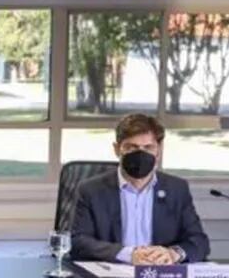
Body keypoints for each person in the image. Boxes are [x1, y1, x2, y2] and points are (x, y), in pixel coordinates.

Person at [70, 113, 209, 265]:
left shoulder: (177, 189)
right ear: (117, 149)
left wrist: (174, 254)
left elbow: (199, 241)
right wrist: (129, 255)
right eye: (132, 147)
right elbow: (79, 242)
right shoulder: (91, 190)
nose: (140, 154)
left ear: (158, 151)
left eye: (148, 147)